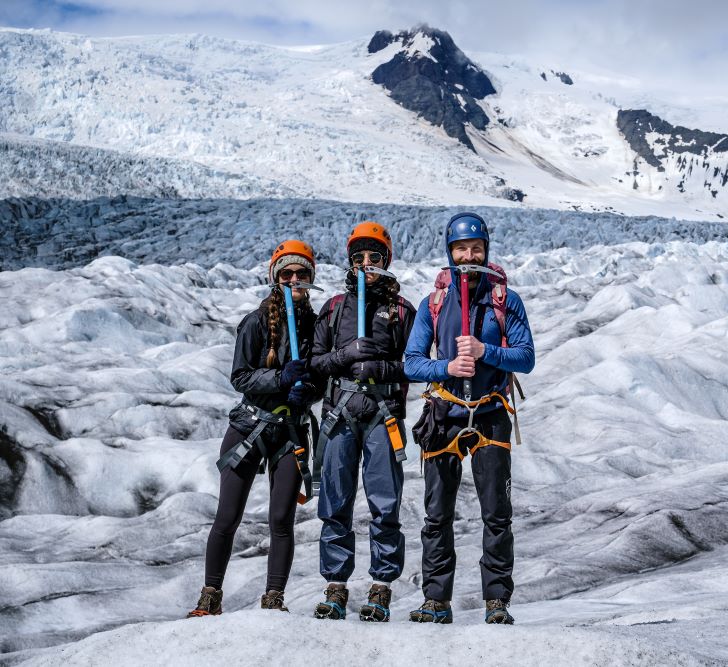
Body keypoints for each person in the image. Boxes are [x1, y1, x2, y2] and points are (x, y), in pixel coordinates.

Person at [404, 212, 535, 625]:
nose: (469, 255)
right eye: (461, 249)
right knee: (437, 514)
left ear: (486, 250)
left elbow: (526, 358)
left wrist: (484, 352)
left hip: (491, 412)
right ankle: (436, 600)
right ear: (450, 252)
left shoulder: (504, 300)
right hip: (444, 413)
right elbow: (411, 363)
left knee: (497, 513)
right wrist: (447, 368)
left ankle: (497, 601)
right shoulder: (434, 303)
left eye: (476, 248)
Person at [187, 240, 319, 617]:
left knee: (281, 519)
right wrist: (280, 378)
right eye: (287, 273)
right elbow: (240, 376)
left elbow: (322, 376)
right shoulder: (256, 322)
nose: (295, 279)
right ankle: (209, 597)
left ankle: (274, 598)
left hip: (290, 432)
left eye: (302, 273)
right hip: (250, 428)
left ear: (311, 279)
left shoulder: (315, 325)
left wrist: (309, 390)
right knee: (227, 517)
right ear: (275, 277)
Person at [309, 221, 416, 622]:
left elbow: (418, 364)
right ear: (351, 262)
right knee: (334, 502)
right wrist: (344, 356)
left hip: (382, 417)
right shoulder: (335, 308)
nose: (367, 263)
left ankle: (381, 587)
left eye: (374, 257)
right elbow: (314, 363)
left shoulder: (403, 312)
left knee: (384, 504)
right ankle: (336, 586)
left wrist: (382, 367)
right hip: (339, 416)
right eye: (360, 258)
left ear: (386, 261)